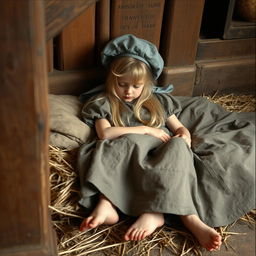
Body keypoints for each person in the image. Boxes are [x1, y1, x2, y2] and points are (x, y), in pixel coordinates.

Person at [77, 34, 255, 252]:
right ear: (111, 80)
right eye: (122, 84)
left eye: (136, 86)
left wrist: (184, 135)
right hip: (128, 150)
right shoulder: (103, 102)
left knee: (178, 148)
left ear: (147, 84)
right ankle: (107, 203)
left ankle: (182, 216)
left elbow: (178, 127)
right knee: (112, 146)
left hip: (161, 150)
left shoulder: (157, 102)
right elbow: (105, 133)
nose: (129, 91)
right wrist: (143, 129)